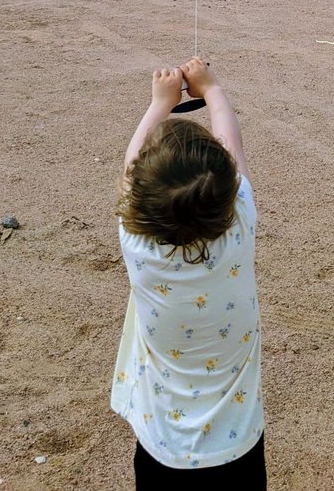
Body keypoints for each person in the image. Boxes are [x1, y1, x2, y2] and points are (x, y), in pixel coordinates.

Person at [112, 57, 265, 486]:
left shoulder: (137, 242)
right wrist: (212, 89)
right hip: (238, 447)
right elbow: (232, 148)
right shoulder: (238, 227)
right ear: (229, 193)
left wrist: (160, 102)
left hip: (162, 446)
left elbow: (130, 166)